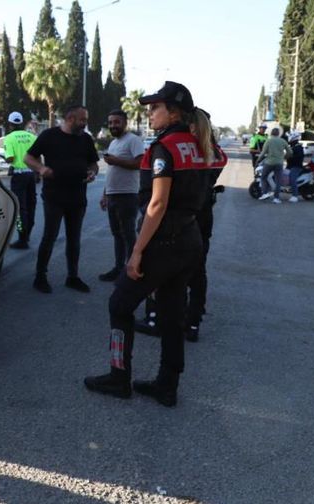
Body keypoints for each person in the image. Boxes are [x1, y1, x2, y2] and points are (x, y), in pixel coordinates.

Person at [83, 81, 213, 407]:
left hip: (163, 242)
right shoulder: (198, 144)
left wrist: (137, 252)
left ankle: (118, 376)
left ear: (174, 112)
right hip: (190, 239)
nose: (150, 113)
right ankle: (167, 385)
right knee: (172, 314)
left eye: (156, 107)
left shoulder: (164, 148)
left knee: (119, 305)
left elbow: (157, 204)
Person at [24, 106, 100, 294]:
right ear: (70, 119)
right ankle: (40, 277)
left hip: (78, 197)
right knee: (49, 237)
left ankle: (72, 277)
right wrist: (41, 169)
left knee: (74, 239)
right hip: (54, 197)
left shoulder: (86, 139)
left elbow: (94, 163)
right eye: (82, 120)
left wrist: (92, 172)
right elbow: (28, 158)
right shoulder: (49, 136)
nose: (85, 124)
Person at [184, 108, 228, 342]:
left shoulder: (187, 150)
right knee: (198, 269)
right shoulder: (216, 152)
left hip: (187, 216)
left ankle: (181, 317)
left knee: (180, 269)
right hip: (203, 214)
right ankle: (193, 319)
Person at [98, 109, 145, 281]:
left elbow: (140, 162)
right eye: (110, 122)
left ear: (125, 123)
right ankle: (119, 269)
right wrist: (105, 194)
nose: (113, 125)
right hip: (113, 195)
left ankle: (130, 272)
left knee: (128, 234)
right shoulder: (113, 143)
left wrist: (115, 161)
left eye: (117, 122)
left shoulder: (133, 140)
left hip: (128, 195)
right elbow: (111, 172)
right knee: (117, 234)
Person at [3, 111, 38, 249]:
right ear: (22, 123)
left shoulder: (9, 138)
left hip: (18, 176)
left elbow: (10, 158)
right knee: (31, 205)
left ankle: (22, 239)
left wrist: (6, 158)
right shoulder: (32, 137)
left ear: (10, 124)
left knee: (19, 208)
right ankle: (27, 235)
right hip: (31, 174)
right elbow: (38, 156)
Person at [256, 127, 292, 204]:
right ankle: (276, 198)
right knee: (278, 180)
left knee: (263, 177)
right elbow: (290, 152)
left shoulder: (268, 141)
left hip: (269, 163)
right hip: (279, 163)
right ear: (278, 133)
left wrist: (258, 160)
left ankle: (265, 193)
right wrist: (284, 157)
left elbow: (263, 153)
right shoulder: (283, 141)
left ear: (271, 133)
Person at [286, 131, 305, 203]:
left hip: (296, 167)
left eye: (289, 137)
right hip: (290, 166)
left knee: (292, 178)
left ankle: (295, 196)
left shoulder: (298, 147)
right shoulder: (292, 146)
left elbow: (299, 157)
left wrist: (290, 157)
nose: (288, 138)